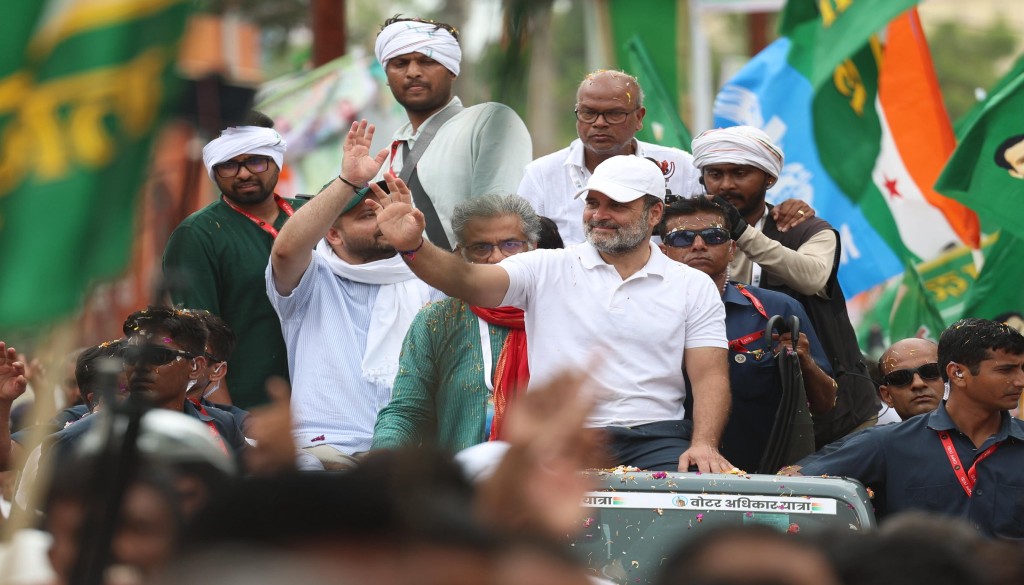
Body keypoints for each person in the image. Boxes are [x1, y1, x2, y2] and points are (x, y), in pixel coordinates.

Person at [367, 154, 733, 472]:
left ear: (654, 213)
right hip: (560, 438)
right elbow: (468, 280)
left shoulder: (692, 285)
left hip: (656, 438)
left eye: (616, 205)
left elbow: (709, 377)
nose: (599, 216)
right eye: (593, 203)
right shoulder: (545, 267)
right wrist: (414, 245)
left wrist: (704, 444)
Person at [267, 120, 441, 471]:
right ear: (332, 233)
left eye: (387, 210)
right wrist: (348, 182)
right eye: (368, 215)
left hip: (406, 456)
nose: (383, 220)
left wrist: (414, 243)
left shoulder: (426, 277)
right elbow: (285, 250)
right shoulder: (311, 277)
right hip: (324, 450)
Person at [691, 125, 879, 448]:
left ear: (769, 179)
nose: (726, 184)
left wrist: (741, 232)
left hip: (832, 420)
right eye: (715, 173)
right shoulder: (687, 237)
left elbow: (812, 277)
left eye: (740, 173)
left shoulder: (806, 229)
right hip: (739, 419)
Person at [798, 318, 1024, 537]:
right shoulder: (885, 445)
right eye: (1006, 370)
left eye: (930, 371)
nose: (1020, 381)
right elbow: (788, 487)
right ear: (956, 373)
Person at [659, 195, 836, 472]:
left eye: (713, 236)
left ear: (732, 249)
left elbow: (826, 405)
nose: (698, 245)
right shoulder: (640, 311)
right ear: (663, 251)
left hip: (765, 478)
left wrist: (804, 362)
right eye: (682, 238)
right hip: (668, 472)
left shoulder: (777, 308)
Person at [372, 194, 541, 453]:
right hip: (460, 484)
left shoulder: (559, 312)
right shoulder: (438, 320)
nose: (496, 258)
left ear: (533, 248)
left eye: (510, 244)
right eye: (481, 247)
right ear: (460, 254)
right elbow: (406, 412)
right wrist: (383, 460)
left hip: (550, 481)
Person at [162, 111, 303, 409]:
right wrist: (230, 420)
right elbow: (198, 337)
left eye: (255, 161)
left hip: (334, 402)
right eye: (228, 165)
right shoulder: (197, 235)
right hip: (253, 408)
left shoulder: (311, 215)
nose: (243, 174)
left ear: (276, 160)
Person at [372, 16, 532, 249]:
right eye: (400, 63)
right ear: (386, 76)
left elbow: (498, 227)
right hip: (396, 284)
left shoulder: (489, 122)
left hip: (467, 280)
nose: (413, 72)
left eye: (427, 61)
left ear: (452, 70)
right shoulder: (387, 155)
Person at [516, 70, 700, 245]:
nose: (599, 123)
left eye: (614, 114)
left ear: (639, 117)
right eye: (588, 113)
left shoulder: (682, 168)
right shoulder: (540, 175)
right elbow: (522, 246)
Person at [781, 338, 944, 475]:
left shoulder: (969, 434)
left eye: (930, 371)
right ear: (886, 395)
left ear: (950, 377)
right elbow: (787, 478)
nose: (918, 383)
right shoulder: (875, 443)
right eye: (901, 378)